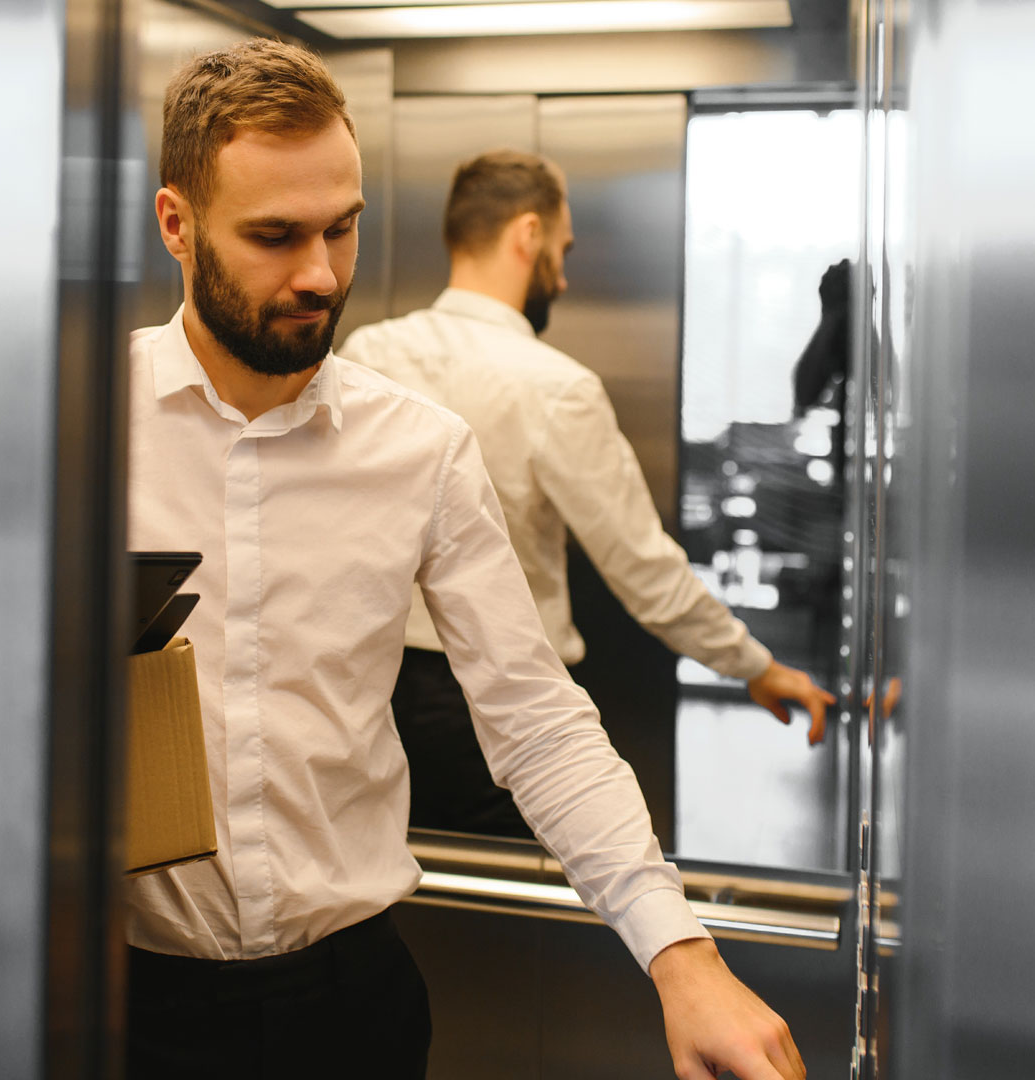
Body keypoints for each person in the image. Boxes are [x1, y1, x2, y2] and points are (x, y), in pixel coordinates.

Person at [125, 39, 806, 1080]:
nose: (319, 275)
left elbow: (536, 722)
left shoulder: (419, 447)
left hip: (350, 1010)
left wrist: (682, 957)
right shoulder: (86, 426)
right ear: (177, 224)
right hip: (129, 1003)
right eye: (273, 236)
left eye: (343, 229)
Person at [340, 150, 837, 838]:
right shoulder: (557, 387)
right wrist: (754, 665)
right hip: (500, 704)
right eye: (563, 249)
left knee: (415, 900)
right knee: (513, 924)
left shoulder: (366, 353)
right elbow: (645, 571)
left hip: (371, 695)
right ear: (528, 234)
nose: (565, 276)